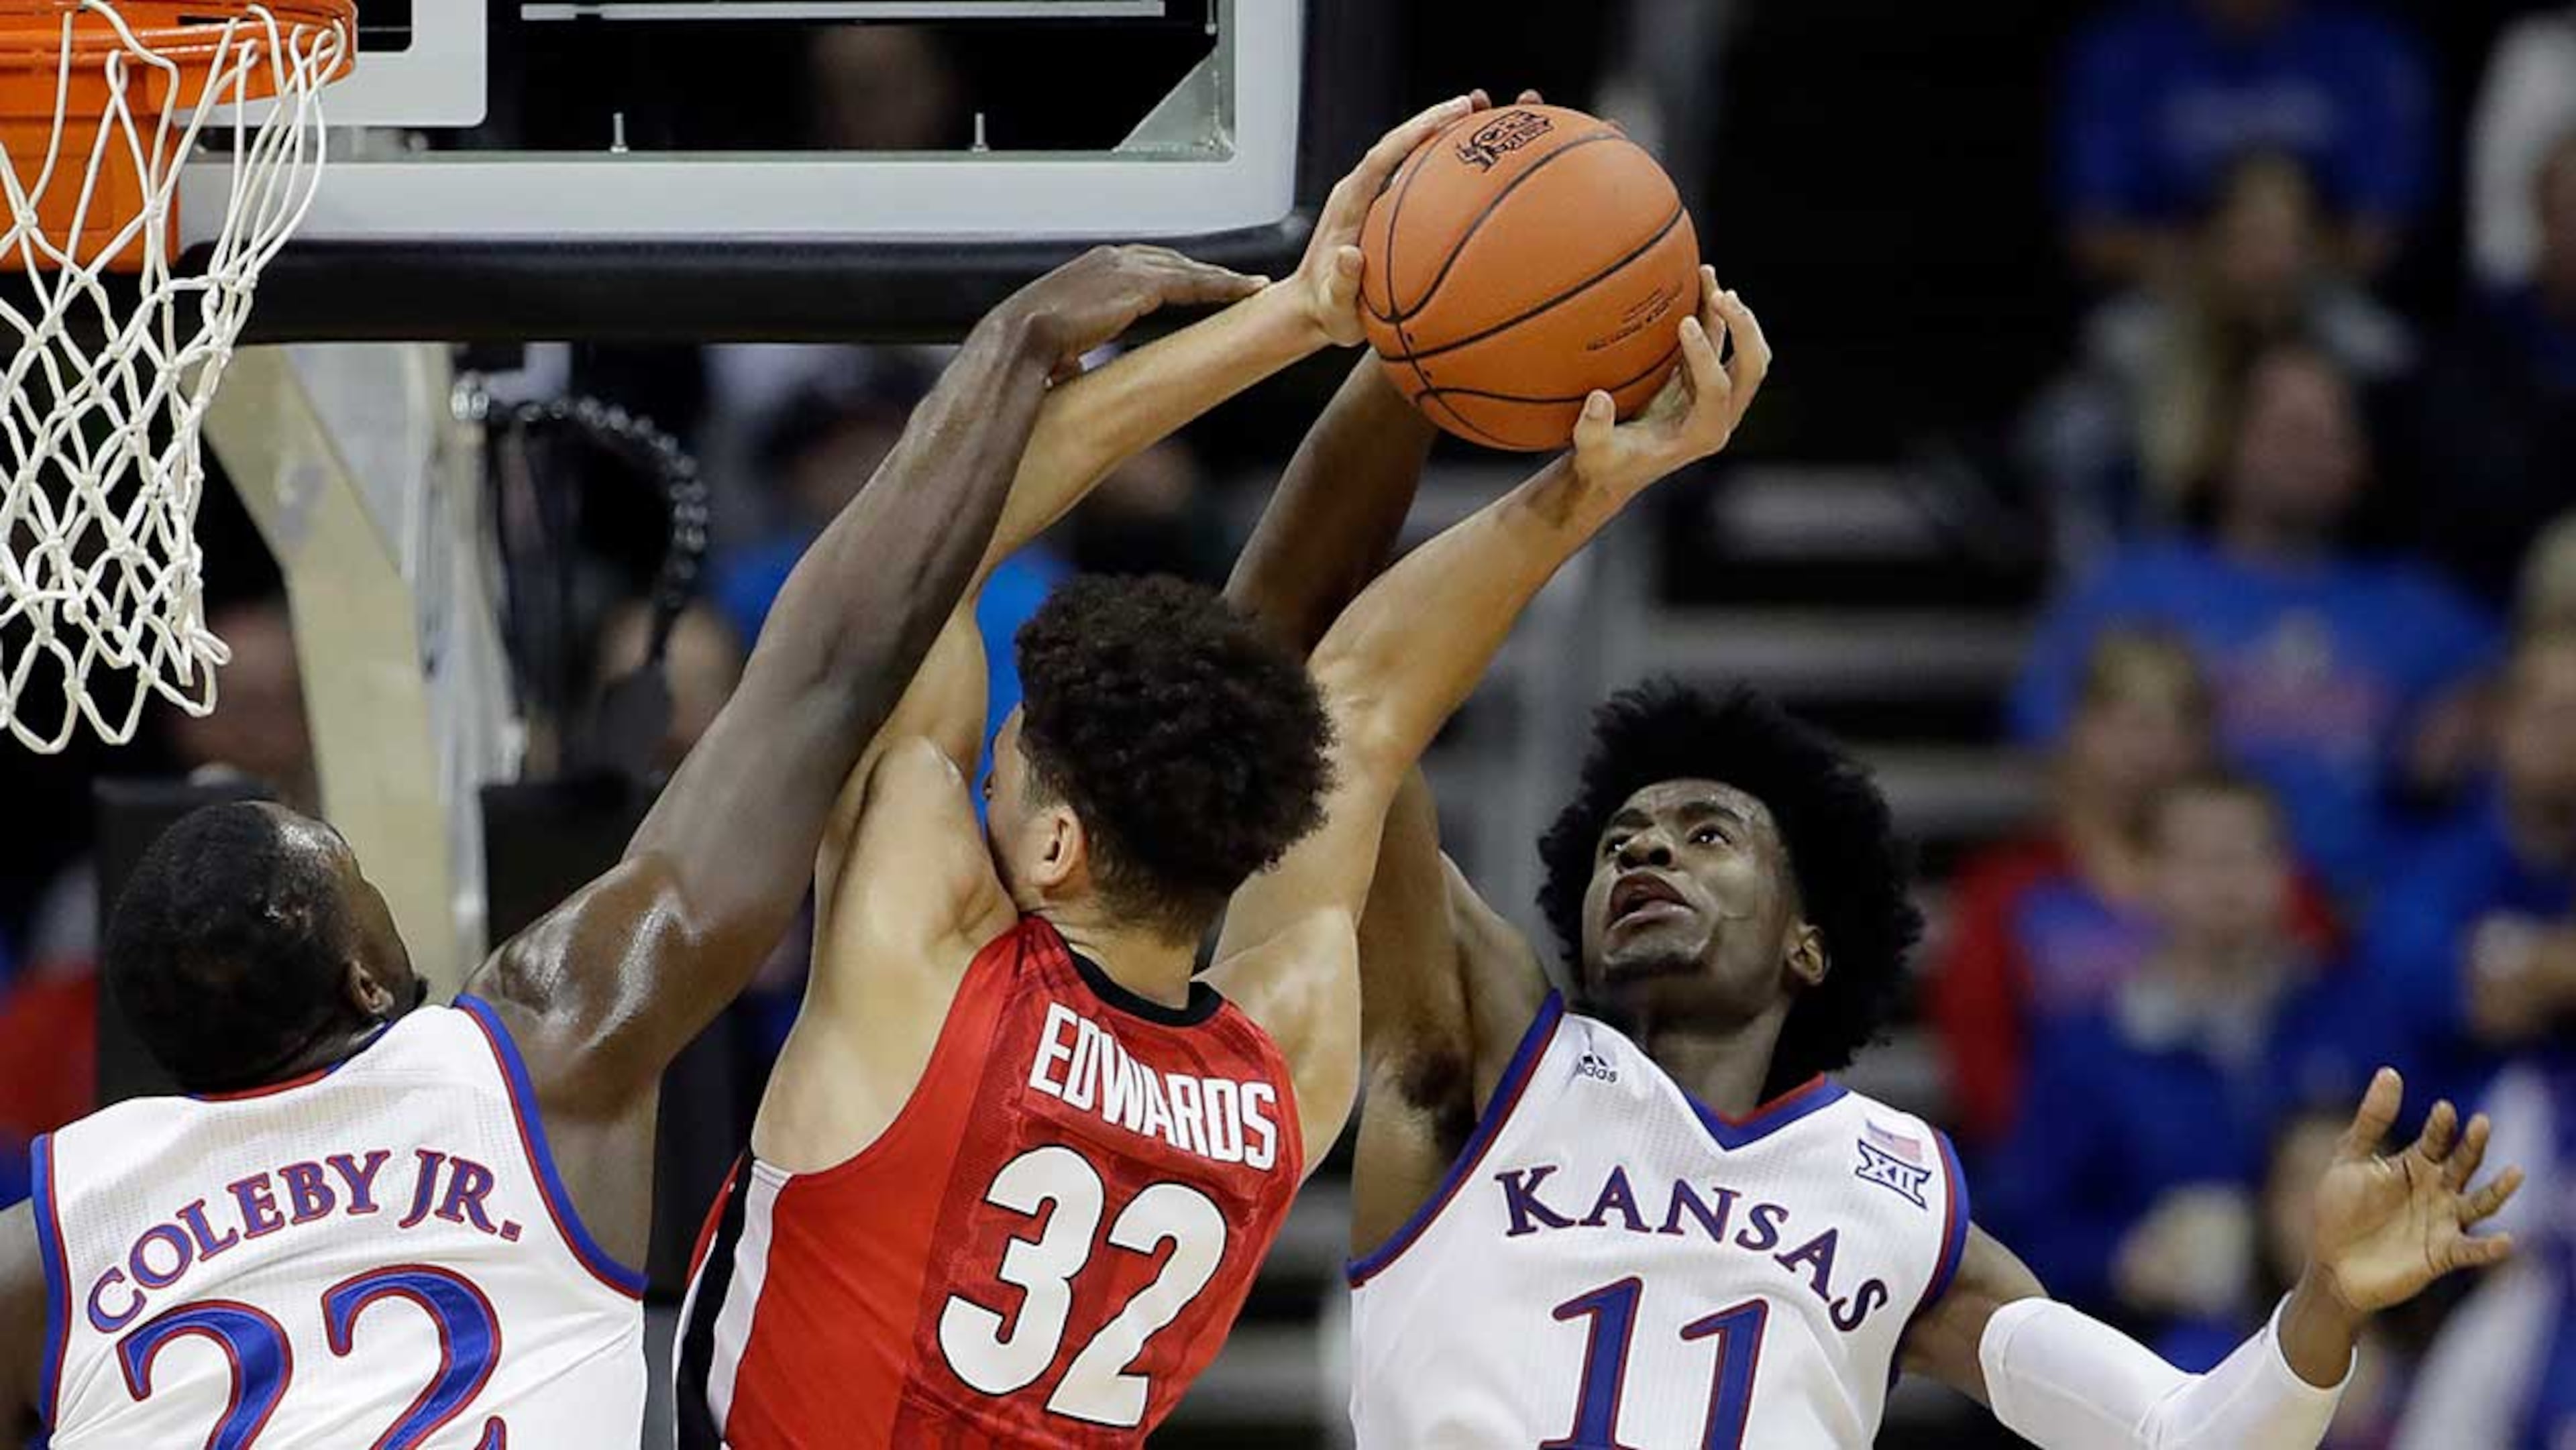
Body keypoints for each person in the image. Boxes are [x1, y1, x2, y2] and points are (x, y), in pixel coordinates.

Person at [0, 244, 1262, 1448]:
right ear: (366, 978)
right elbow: (823, 672)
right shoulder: (543, 1049)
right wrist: (1009, 344)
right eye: (359, 874)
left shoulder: (53, 1225)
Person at [1222, 304, 2520, 1450]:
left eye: (1707, 833)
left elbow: (2181, 1435)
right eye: (1622, 839)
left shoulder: (1895, 1185)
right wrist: (1404, 340)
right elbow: (1294, 688)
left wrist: (2323, 1307)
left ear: (1808, 943)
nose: (1648, 849)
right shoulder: (1488, 1051)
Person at [2012, 340, 2497, 899]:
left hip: (2369, 923)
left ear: (2361, 463)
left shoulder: (2425, 609)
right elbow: (2049, 745)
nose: (2304, 455)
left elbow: (2532, 696)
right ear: (2225, 443)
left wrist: (2479, 716)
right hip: (2172, 913)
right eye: (2285, 431)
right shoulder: (2130, 592)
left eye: (2328, 436)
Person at [1982, 774, 2383, 1339]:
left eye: (2248, 854)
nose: (2225, 881)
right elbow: (2017, 1230)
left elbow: (2427, 1175)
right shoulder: (2089, 1049)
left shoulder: (2356, 1016)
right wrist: (2121, 1258)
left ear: (2287, 873)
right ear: (2147, 875)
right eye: (2199, 858)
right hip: (2153, 1361)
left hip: (2349, 1351)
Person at [2057, 0, 2434, 283]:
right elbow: (2095, 233)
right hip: (2167, 295)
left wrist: (2273, 263)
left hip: (2321, 295)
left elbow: (2376, 235)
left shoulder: (2363, 51)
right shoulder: (2126, 52)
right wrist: (2223, 270)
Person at [2366, 626, 2576, 1119]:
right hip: (2453, 1143)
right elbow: (2485, 1004)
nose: (2571, 738)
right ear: (2502, 724)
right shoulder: (2435, 864)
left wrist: (2534, 963)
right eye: (2554, 716)